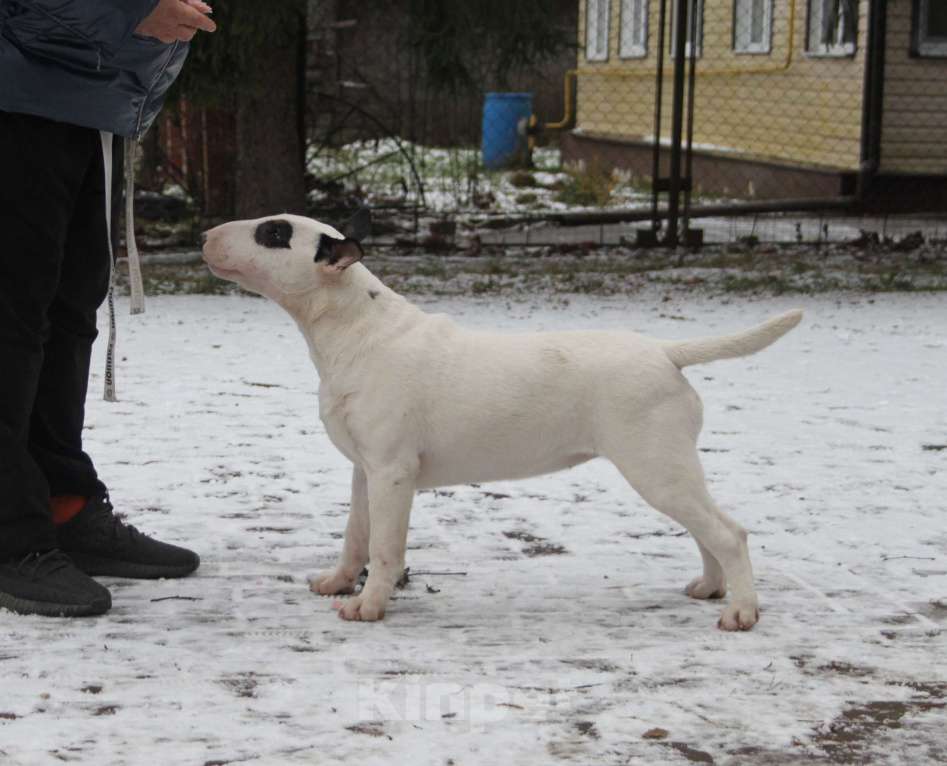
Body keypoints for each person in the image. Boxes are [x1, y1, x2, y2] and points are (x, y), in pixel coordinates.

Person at [0, 0, 216, 617]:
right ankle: (10, 532)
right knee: (10, 323)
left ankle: (60, 505)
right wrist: (128, 15)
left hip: (87, 99)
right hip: (16, 94)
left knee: (68, 316)